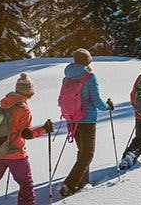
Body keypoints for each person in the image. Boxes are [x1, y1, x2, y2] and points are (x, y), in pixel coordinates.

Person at [0, 73, 53, 205]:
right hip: (16, 154)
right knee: (26, 185)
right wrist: (44, 129)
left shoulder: (5, 103)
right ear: (30, 92)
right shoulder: (24, 109)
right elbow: (27, 134)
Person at [60, 48, 114, 198]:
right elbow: (96, 101)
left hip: (71, 119)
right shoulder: (90, 77)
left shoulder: (67, 77)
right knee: (88, 154)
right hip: (87, 120)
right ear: (87, 61)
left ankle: (83, 183)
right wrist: (107, 106)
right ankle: (69, 184)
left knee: (82, 151)